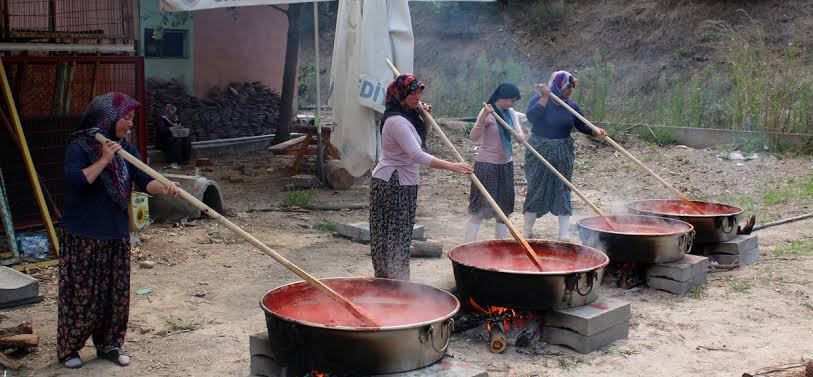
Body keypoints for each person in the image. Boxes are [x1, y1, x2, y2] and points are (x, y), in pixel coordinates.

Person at [58, 92, 179, 369]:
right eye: (126, 118)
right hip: (84, 234)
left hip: (116, 232)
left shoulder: (127, 149)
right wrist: (103, 159)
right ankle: (69, 349)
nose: (130, 124)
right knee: (82, 295)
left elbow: (145, 180)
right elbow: (76, 182)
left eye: (131, 119)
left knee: (116, 295)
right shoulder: (80, 146)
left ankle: (110, 344)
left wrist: (167, 187)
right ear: (108, 118)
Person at [369, 74, 473, 280]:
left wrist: (426, 118)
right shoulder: (396, 121)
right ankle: (391, 281)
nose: (417, 96)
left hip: (403, 182)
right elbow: (417, 154)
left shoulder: (408, 115)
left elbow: (419, 140)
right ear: (401, 95)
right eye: (413, 92)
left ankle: (395, 281)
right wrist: (454, 167)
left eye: (419, 92)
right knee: (393, 235)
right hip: (392, 183)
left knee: (400, 234)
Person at [522, 71, 607, 240]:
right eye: (568, 86)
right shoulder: (539, 100)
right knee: (536, 188)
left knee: (563, 188)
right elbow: (531, 117)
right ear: (557, 86)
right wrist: (545, 98)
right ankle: (527, 231)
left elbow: (582, 125)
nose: (571, 90)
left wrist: (595, 131)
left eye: (572, 87)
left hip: (563, 152)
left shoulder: (572, 106)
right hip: (539, 150)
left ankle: (563, 234)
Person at [464, 83, 523, 243]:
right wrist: (483, 118)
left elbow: (518, 133)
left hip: (506, 165)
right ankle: (468, 245)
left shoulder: (511, 113)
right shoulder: (487, 112)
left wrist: (520, 136)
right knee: (479, 208)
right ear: (502, 98)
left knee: (504, 208)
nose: (512, 104)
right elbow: (474, 137)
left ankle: (500, 245)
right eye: (511, 100)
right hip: (486, 165)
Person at [155, 103, 191, 169]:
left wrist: (180, 128)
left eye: (174, 112)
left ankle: (185, 159)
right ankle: (174, 161)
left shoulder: (176, 118)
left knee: (186, 139)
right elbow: (162, 131)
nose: (173, 114)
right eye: (172, 112)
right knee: (176, 140)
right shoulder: (162, 120)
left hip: (174, 137)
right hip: (164, 140)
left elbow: (179, 126)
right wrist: (171, 129)